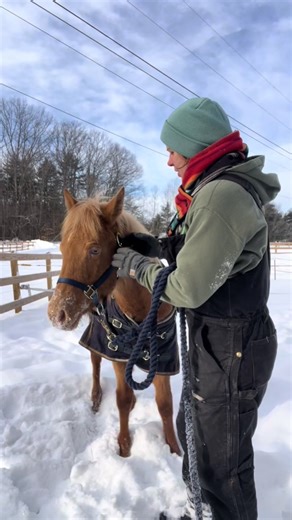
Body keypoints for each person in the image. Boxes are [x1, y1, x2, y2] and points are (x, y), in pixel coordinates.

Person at [112, 97, 280, 520]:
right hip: (220, 339)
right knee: (200, 436)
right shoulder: (211, 189)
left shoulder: (221, 195)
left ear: (195, 143)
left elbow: (185, 287)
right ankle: (200, 510)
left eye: (172, 149)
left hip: (231, 344)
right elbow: (198, 256)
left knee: (224, 465)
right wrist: (152, 248)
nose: (168, 160)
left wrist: (141, 269)